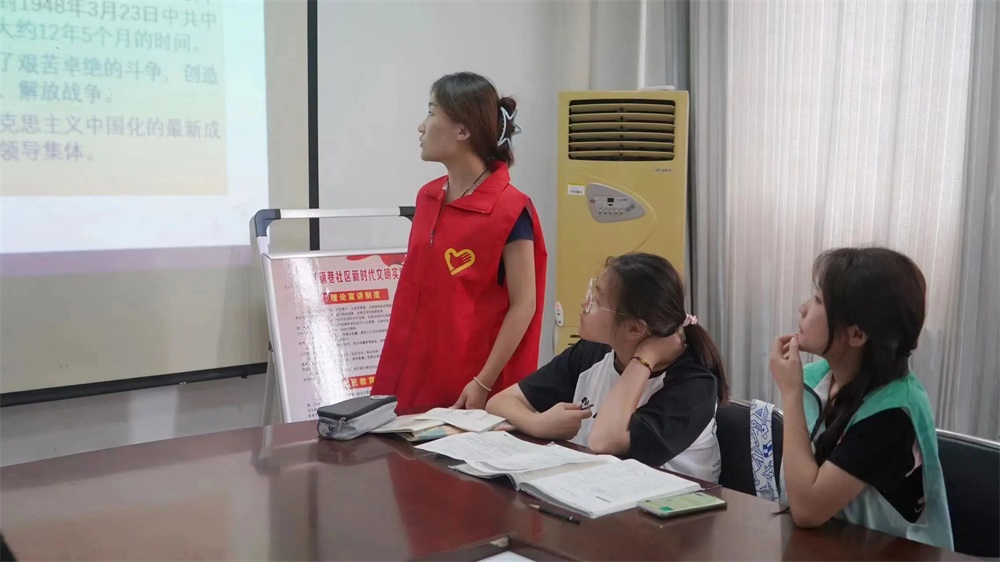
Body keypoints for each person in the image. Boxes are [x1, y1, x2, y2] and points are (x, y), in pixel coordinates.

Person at [372, 72, 547, 415]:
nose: (421, 127)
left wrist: (483, 382)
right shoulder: (427, 197)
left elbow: (524, 305)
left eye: (431, 112)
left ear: (463, 130)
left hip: (469, 385)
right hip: (412, 372)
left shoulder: (510, 209)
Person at [486, 253, 728, 482]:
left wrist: (646, 357)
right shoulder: (594, 351)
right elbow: (500, 402)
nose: (584, 303)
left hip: (673, 506)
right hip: (598, 491)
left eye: (597, 301)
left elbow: (604, 441)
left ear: (634, 328)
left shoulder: (695, 385)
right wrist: (538, 423)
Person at [770, 247, 953, 549]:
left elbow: (807, 509)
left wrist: (790, 394)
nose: (803, 309)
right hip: (824, 547)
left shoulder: (894, 412)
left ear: (857, 334)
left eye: (818, 301)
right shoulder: (818, 379)